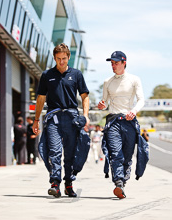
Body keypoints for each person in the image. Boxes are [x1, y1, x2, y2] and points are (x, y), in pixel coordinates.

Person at [32, 43, 89, 198]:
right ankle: (55, 184)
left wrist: (85, 115)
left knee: (70, 154)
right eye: (58, 59)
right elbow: (41, 98)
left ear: (69, 57)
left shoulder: (76, 74)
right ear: (54, 58)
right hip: (53, 119)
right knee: (55, 152)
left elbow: (85, 96)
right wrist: (36, 120)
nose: (62, 62)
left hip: (72, 119)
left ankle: (68, 185)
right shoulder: (47, 75)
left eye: (64, 58)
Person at [98, 51, 144, 199]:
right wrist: (101, 105)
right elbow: (104, 103)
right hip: (113, 122)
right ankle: (118, 182)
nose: (113, 65)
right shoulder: (107, 82)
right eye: (111, 63)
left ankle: (123, 182)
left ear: (124, 63)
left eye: (116, 63)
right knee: (115, 153)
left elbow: (141, 100)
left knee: (127, 156)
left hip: (129, 121)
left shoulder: (134, 79)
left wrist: (134, 111)